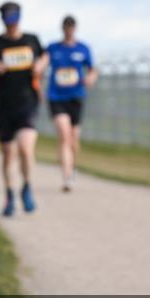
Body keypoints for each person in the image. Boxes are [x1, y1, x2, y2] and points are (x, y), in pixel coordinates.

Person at [0, 1, 45, 216]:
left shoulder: (31, 40)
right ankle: (9, 194)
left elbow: (45, 56)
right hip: (4, 106)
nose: (11, 21)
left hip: (27, 102)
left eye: (14, 16)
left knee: (25, 148)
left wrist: (40, 66)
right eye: (7, 17)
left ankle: (27, 185)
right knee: (8, 154)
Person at [45, 14, 98, 192]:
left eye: (71, 27)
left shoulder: (83, 49)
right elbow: (42, 63)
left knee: (74, 138)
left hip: (76, 96)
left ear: (75, 28)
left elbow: (92, 69)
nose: (69, 30)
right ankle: (66, 176)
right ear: (63, 28)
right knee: (64, 134)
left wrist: (90, 77)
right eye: (66, 26)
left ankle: (73, 169)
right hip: (56, 97)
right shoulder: (53, 48)